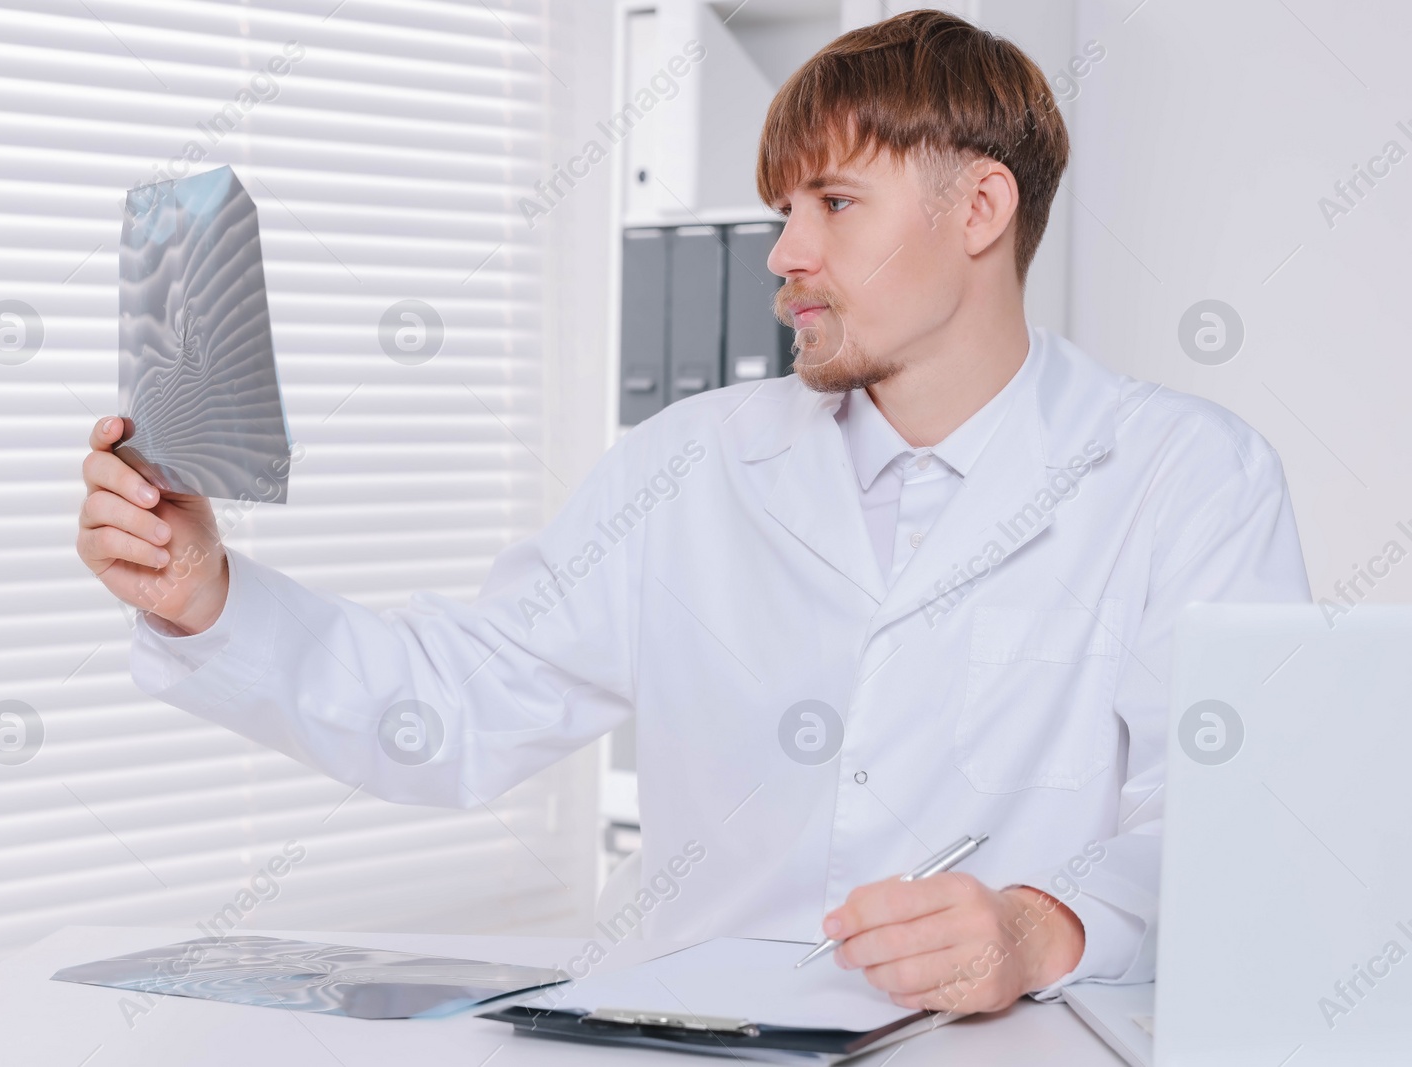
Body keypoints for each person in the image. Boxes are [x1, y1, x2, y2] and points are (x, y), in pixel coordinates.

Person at [77, 11, 1308, 1015]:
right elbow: (452, 702)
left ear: (979, 211)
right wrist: (212, 603)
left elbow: (1234, 820)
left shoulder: (1181, 476)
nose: (781, 254)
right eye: (782, 211)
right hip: (686, 1040)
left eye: (831, 204)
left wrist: (1041, 927)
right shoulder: (687, 465)